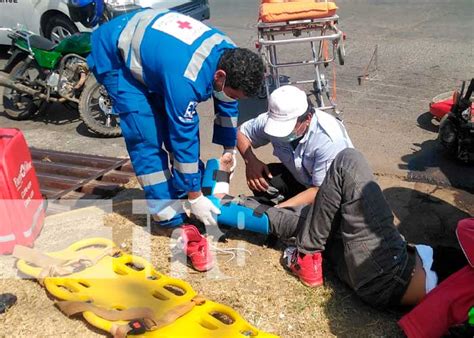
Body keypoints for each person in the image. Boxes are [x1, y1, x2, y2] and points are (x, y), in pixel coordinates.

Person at [73, 5, 264, 229]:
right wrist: (195, 196)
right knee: (146, 137)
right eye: (232, 93)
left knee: (173, 125)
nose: (231, 98)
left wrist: (228, 150)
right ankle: (167, 215)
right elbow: (184, 136)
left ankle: (185, 189)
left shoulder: (230, 54)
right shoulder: (188, 78)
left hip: (156, 51)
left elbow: (228, 104)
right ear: (220, 76)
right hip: (117, 55)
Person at [237, 85, 353, 208]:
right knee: (263, 179)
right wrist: (250, 161)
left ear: (307, 118)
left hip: (332, 194)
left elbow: (321, 190)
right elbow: (241, 133)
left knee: (301, 219)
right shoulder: (271, 119)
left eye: (286, 127)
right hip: (302, 180)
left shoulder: (329, 140)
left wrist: (278, 211)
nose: (280, 133)